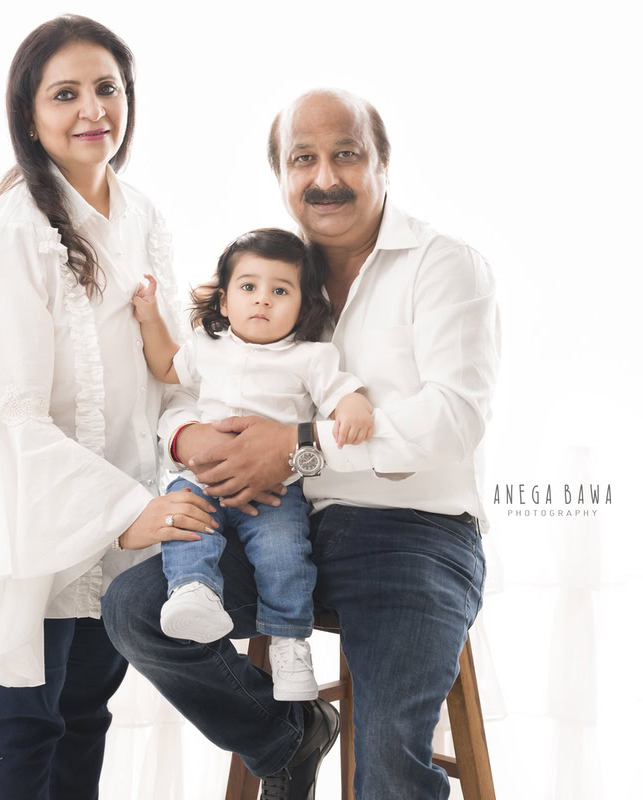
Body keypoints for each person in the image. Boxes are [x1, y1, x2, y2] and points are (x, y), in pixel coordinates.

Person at [103, 89, 500, 800]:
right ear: (282, 176)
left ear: (383, 162)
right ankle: (287, 738)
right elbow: (196, 385)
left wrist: (299, 448)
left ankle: (344, 753)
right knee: (134, 609)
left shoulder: (445, 266)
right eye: (303, 159)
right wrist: (188, 436)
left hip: (417, 536)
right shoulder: (266, 274)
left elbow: (451, 421)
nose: (325, 178)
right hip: (282, 523)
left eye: (346, 154)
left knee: (385, 771)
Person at [0, 15, 246, 800]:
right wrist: (125, 510)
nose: (91, 109)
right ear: (28, 116)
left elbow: (167, 375)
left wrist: (194, 441)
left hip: (122, 528)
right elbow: (10, 418)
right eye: (64, 94)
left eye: (106, 88)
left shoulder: (145, 218)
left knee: (84, 718)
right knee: (22, 731)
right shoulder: (9, 234)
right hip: (28, 527)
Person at [129, 227, 374, 701]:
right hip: (205, 479)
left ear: (303, 307)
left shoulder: (311, 357)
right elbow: (164, 365)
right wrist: (149, 314)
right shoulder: (207, 346)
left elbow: (342, 391)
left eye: (279, 291)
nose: (262, 301)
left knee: (284, 553)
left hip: (274, 490)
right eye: (248, 288)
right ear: (224, 302)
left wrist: (355, 406)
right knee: (181, 515)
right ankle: (193, 591)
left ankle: (289, 643)